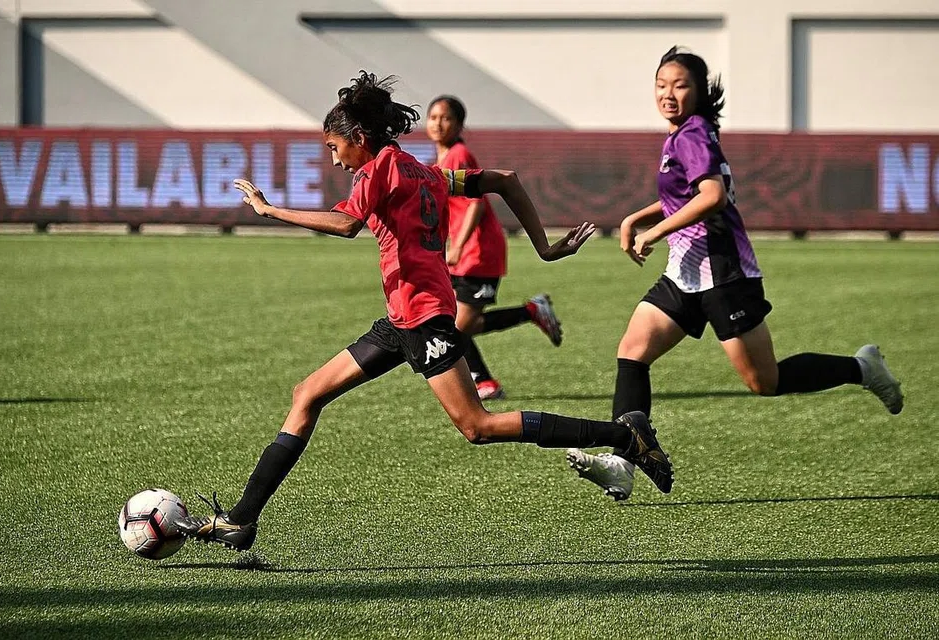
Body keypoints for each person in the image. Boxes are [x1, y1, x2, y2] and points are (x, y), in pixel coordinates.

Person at [176, 72, 674, 552]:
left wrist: (270, 210)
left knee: (477, 426)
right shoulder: (425, 171)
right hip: (401, 319)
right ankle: (241, 521)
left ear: (359, 138)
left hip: (423, 318)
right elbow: (504, 180)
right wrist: (542, 247)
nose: (334, 161)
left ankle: (624, 437)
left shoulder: (382, 168)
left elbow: (347, 224)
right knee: (307, 394)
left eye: (334, 148)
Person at [567, 47, 903, 501]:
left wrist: (655, 231)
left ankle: (862, 369)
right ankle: (624, 461)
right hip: (685, 272)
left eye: (680, 85)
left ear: (699, 91)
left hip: (724, 274)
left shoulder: (693, 133)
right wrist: (635, 219)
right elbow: (688, 194)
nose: (668, 93)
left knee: (764, 382)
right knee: (632, 352)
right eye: (661, 84)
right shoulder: (685, 134)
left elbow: (714, 196)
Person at [426, 95, 563, 400]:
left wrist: (458, 245)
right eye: (433, 117)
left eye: (445, 118)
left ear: (460, 124)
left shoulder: (458, 155)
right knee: (452, 321)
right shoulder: (444, 158)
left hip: (478, 251)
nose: (438, 123)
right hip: (463, 251)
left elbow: (474, 204)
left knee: (459, 324)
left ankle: (485, 379)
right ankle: (487, 374)